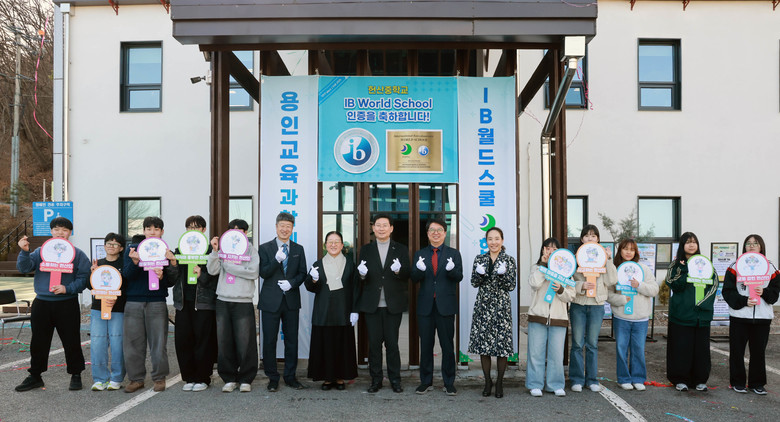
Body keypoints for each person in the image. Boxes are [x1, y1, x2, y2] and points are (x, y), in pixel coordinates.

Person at [14, 217, 91, 392]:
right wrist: (24, 252)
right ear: (51, 231)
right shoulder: (41, 251)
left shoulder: (78, 254)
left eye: (65, 230)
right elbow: (24, 268)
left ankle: (76, 374)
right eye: (56, 229)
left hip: (67, 303)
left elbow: (84, 278)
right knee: (38, 341)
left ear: (70, 233)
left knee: (71, 340)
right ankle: (35, 376)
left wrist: (67, 288)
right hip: (42, 303)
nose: (60, 233)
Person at [355, 214, 410, 393]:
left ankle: (395, 380)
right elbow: (360, 277)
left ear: (391, 228)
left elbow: (407, 274)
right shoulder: (366, 249)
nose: (381, 228)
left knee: (392, 344)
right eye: (378, 225)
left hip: (393, 304)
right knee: (374, 345)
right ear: (373, 228)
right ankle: (376, 380)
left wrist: (399, 271)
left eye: (385, 225)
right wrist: (362, 274)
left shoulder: (400, 249)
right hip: (372, 305)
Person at [123, 216, 178, 393]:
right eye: (148, 229)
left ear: (162, 231)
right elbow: (126, 276)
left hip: (157, 301)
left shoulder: (166, 251)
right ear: (144, 231)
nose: (152, 232)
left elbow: (171, 281)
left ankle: (159, 378)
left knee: (158, 342)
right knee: (133, 343)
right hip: (133, 301)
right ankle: (136, 379)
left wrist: (165, 274)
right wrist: (134, 263)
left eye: (156, 229)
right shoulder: (132, 250)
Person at [721, 234, 780, 395]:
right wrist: (743, 301)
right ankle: (737, 382)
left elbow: (775, 294)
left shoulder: (771, 267)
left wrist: (764, 292)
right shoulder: (735, 266)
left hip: (762, 318)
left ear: (761, 247)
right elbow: (728, 291)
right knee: (737, 351)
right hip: (739, 317)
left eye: (755, 243)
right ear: (744, 247)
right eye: (748, 243)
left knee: (758, 352)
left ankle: (757, 383)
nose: (752, 246)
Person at [412, 218, 464, 396]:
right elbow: (414, 278)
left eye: (439, 230)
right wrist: (418, 270)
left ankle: (449, 382)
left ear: (445, 233)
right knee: (426, 345)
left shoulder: (454, 254)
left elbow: (459, 277)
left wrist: (451, 270)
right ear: (427, 233)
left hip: (445, 306)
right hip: (425, 307)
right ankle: (426, 382)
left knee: (447, 346)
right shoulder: (420, 254)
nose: (436, 233)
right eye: (432, 230)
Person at [207, 219, 260, 393]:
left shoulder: (251, 250)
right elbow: (212, 270)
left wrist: (228, 266)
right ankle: (229, 378)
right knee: (224, 341)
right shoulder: (222, 249)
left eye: (240, 230)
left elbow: (253, 272)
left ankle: (246, 378)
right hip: (223, 300)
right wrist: (215, 252)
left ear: (246, 233)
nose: (237, 233)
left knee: (245, 341)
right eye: (233, 230)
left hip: (243, 301)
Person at [258, 212, 308, 391]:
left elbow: (303, 273)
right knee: (269, 341)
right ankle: (272, 377)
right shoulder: (265, 248)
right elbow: (263, 273)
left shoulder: (298, 249)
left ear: (292, 228)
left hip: (291, 300)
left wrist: (292, 283)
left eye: (288, 226)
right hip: (270, 301)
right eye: (282, 226)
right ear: (276, 227)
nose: (285, 229)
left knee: (292, 341)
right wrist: (276, 260)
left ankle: (290, 377)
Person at [304, 231, 359, 390]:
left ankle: (341, 378)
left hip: (343, 310)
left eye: (337, 242)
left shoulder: (350, 264)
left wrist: (354, 310)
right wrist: (313, 279)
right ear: (325, 245)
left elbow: (355, 288)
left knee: (342, 345)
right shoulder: (317, 264)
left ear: (342, 245)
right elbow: (310, 287)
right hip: (323, 310)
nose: (333, 244)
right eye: (330, 241)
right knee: (325, 345)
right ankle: (327, 378)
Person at [665, 231, 719, 392]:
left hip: (701, 316)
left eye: (694, 242)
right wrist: (686, 268)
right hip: (681, 315)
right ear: (682, 245)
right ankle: (680, 379)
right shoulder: (676, 265)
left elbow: (714, 285)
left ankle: (700, 380)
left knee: (701, 350)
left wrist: (702, 304)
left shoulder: (706, 263)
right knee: (681, 348)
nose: (691, 245)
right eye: (687, 242)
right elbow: (673, 284)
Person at [172, 216, 218, 392]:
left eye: (197, 227)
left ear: (204, 230)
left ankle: (203, 378)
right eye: (189, 227)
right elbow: (172, 278)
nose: (193, 230)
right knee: (183, 340)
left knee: (203, 341)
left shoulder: (210, 251)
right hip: (183, 303)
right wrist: (173, 265)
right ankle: (189, 377)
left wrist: (202, 275)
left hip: (204, 303)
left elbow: (215, 278)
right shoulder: (179, 249)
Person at [467, 227, 515, 398]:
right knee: (484, 345)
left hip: (502, 307)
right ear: (486, 241)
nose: (493, 242)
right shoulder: (480, 259)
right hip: (483, 306)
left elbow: (511, 286)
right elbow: (474, 282)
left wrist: (502, 275)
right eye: (490, 239)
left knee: (502, 347)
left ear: (502, 240)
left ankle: (500, 382)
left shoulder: (509, 260)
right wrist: (480, 275)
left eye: (496, 239)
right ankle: (487, 382)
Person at [607, 239, 659, 391]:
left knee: (638, 349)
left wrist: (639, 285)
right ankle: (623, 379)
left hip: (640, 318)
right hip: (621, 317)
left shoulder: (643, 269)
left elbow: (654, 289)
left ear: (636, 252)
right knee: (621, 349)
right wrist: (622, 299)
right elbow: (608, 294)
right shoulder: (615, 269)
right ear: (620, 251)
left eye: (632, 249)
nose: (628, 252)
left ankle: (638, 378)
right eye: (625, 249)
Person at [569, 224, 617, 392]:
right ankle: (576, 379)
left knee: (592, 344)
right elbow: (567, 280)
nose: (590, 238)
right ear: (582, 239)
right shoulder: (575, 257)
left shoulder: (603, 257)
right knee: (577, 343)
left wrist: (609, 260)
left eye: (593, 236)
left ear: (598, 239)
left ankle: (592, 380)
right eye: (587, 235)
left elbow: (612, 280)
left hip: (597, 305)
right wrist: (580, 285)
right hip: (579, 304)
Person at [526, 237, 574, 398]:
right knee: (535, 353)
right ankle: (535, 384)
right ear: (543, 250)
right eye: (548, 248)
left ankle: (556, 384)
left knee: (556, 354)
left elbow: (571, 295)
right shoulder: (536, 268)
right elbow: (534, 284)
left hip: (558, 318)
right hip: (538, 316)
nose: (550, 251)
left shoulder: (567, 270)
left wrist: (561, 289)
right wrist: (543, 266)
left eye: (554, 249)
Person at [88, 232, 127, 391]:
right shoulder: (98, 263)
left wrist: (116, 298)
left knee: (117, 343)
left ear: (121, 248)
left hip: (118, 309)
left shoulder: (125, 264)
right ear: (104, 246)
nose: (111, 246)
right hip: (98, 308)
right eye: (109, 243)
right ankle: (100, 378)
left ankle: (117, 377)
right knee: (97, 343)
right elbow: (89, 285)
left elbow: (127, 286)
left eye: (115, 244)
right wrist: (92, 273)